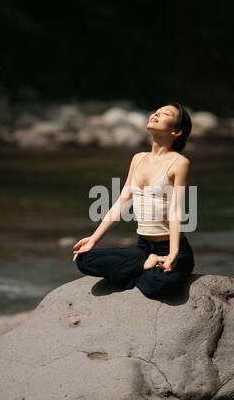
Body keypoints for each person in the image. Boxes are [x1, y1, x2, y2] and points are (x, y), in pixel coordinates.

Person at [73, 102, 195, 299]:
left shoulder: (180, 163)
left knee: (160, 287)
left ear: (177, 131)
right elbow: (122, 201)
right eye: (157, 110)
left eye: (165, 113)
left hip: (170, 248)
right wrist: (93, 239)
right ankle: (146, 264)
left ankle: (141, 269)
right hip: (143, 249)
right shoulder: (138, 158)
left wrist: (173, 253)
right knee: (84, 259)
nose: (156, 113)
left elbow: (176, 211)